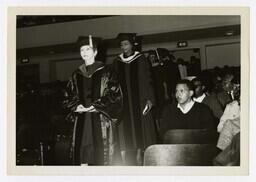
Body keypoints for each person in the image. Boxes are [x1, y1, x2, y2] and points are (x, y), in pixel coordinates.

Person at [63, 35, 123, 165]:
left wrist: (97, 106)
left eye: (88, 49)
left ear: (95, 52)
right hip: (82, 119)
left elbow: (114, 94)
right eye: (82, 50)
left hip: (101, 118)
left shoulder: (107, 71)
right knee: (83, 153)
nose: (84, 53)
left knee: (102, 155)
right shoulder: (76, 74)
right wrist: (76, 106)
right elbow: (69, 95)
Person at [113, 33, 157, 165]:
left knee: (140, 127)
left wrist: (149, 98)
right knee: (124, 129)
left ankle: (139, 153)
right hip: (124, 102)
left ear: (132, 45)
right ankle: (125, 155)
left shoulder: (141, 59)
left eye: (126, 44)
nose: (124, 47)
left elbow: (147, 79)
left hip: (139, 100)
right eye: (121, 45)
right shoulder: (117, 61)